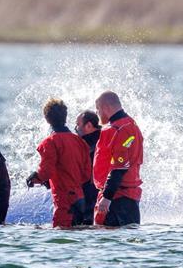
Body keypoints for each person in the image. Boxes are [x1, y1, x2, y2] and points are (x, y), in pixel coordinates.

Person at [25, 98, 92, 228]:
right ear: (65, 117)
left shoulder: (50, 142)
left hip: (64, 202)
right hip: (80, 199)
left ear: (47, 119)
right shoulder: (80, 142)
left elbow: (46, 172)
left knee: (60, 241)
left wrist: (34, 178)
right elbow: (87, 175)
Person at [92, 91, 144, 227]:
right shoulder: (131, 124)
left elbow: (119, 167)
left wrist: (107, 197)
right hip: (125, 197)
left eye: (98, 110)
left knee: (108, 242)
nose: (97, 114)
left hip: (118, 198)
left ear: (106, 108)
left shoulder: (119, 129)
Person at [75, 110, 101, 208]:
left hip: (93, 194)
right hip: (96, 194)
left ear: (89, 126)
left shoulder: (95, 143)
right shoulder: (103, 137)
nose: (76, 128)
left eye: (78, 124)